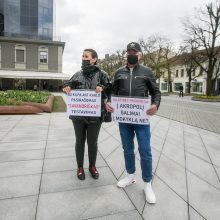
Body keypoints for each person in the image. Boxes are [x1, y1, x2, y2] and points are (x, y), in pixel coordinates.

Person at [105, 42, 161, 204]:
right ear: (126, 54)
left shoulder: (147, 71)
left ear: (140, 55)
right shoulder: (118, 72)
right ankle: (130, 175)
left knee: (145, 149)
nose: (132, 54)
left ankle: (148, 183)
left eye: (134, 52)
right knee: (127, 148)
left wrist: (155, 104)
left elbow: (155, 92)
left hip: (141, 118)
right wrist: (108, 102)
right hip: (123, 118)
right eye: (129, 51)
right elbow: (113, 92)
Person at [63, 49, 110, 180]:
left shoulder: (102, 74)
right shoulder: (77, 74)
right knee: (79, 141)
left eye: (86, 56)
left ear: (94, 59)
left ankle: (92, 166)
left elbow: (110, 90)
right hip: (78, 115)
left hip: (95, 115)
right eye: (82, 56)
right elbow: (67, 84)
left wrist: (103, 88)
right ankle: (80, 167)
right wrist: (66, 87)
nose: (83, 58)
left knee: (92, 142)